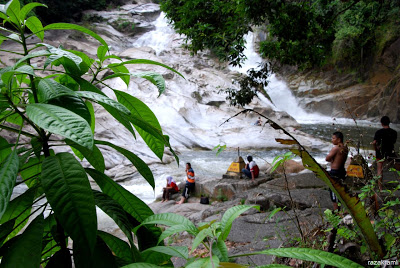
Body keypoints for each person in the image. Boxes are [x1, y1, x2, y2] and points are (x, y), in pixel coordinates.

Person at [372, 116, 397, 190]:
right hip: (390, 152)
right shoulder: (394, 132)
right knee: (397, 167)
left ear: (381, 123)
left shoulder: (378, 132)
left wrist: (376, 149)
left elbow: (374, 143)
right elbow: (393, 142)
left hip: (381, 152)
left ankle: (380, 188)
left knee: (379, 169)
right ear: (389, 122)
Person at [325, 131, 348, 211]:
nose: (332, 140)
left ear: (339, 139)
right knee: (340, 190)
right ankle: (340, 210)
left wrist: (332, 160)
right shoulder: (345, 147)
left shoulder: (336, 148)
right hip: (342, 171)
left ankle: (336, 212)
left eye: (333, 138)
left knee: (334, 191)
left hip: (335, 172)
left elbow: (327, 158)